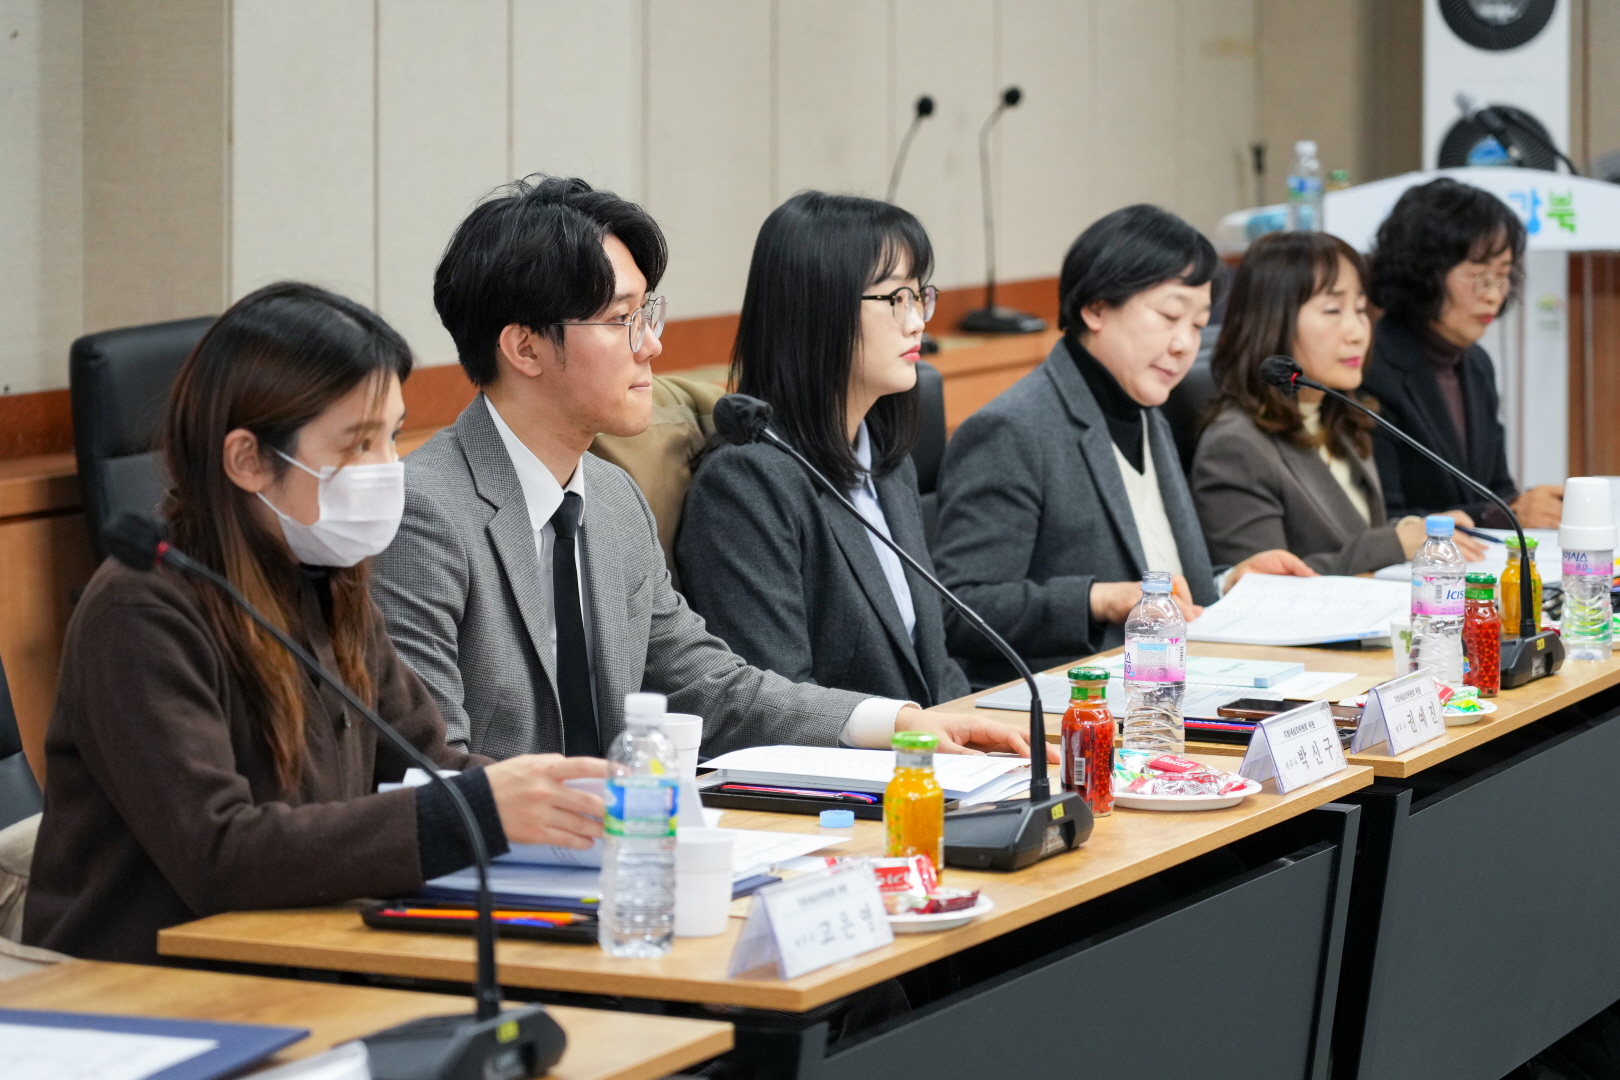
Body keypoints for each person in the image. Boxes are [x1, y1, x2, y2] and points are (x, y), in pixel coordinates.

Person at [24, 284, 607, 963]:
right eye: (357, 444)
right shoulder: (140, 611)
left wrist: (565, 803)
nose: (387, 470)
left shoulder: (328, 574)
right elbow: (220, 855)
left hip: (301, 951)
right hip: (139, 986)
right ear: (248, 460)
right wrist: (476, 808)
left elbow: (426, 765)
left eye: (391, 437)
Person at [371, 176, 1032, 761]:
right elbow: (431, 767)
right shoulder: (424, 513)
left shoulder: (612, 498)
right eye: (622, 319)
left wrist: (898, 722)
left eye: (647, 313)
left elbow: (713, 689)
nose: (653, 344)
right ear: (524, 348)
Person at [932, 205, 1312, 685]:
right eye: (1169, 316)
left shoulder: (1148, 412)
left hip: (1174, 683)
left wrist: (1228, 582)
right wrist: (1098, 599)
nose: (1184, 344)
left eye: (1198, 324)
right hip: (1073, 704)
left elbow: (1158, 575)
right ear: (1095, 308)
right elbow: (959, 609)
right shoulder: (1012, 430)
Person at [677, 192, 971, 709]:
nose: (917, 321)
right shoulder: (747, 486)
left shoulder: (889, 465)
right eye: (895, 297)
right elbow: (775, 703)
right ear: (817, 310)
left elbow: (935, 667)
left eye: (919, 294)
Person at [1192, 231, 1486, 575]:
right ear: (1272, 321)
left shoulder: (1339, 415)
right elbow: (1263, 584)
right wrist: (1394, 544)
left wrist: (1413, 529)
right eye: (1333, 310)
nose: (1358, 332)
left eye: (1360, 309)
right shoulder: (1235, 447)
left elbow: (1353, 534)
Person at [1363, 177, 1564, 528]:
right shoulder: (1372, 365)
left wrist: (1527, 506)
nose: (1494, 295)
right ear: (1424, 272)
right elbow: (1383, 519)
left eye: (1503, 275)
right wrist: (1505, 513)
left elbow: (1497, 490)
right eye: (1478, 275)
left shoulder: (1476, 363)